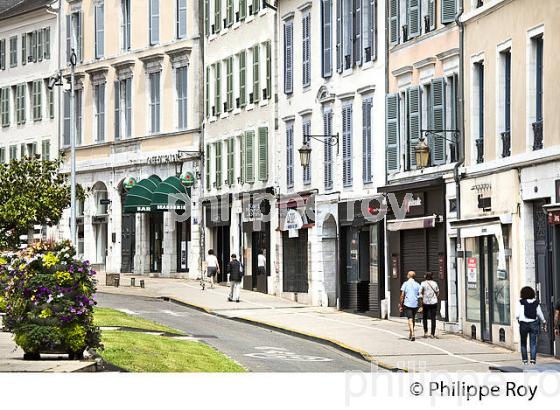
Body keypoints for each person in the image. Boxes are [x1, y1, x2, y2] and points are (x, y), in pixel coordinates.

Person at [516, 286, 547, 365]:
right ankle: (533, 360)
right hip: (534, 323)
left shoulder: (520, 302)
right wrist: (544, 321)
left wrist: (518, 319)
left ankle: (525, 361)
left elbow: (517, 314)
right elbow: (539, 313)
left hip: (523, 324)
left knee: (523, 343)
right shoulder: (536, 302)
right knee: (533, 343)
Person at [400, 271, 421, 341]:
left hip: (408, 303)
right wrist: (421, 305)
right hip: (415, 304)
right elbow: (420, 295)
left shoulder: (405, 284)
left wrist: (400, 304)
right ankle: (410, 333)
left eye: (407, 274)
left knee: (410, 319)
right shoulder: (418, 284)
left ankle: (413, 333)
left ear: (409, 275)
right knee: (413, 318)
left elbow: (402, 295)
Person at [420, 272, 439, 339]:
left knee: (425, 317)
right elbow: (437, 292)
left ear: (425, 276)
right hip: (434, 302)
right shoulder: (435, 283)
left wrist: (422, 297)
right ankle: (432, 334)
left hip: (425, 302)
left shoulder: (423, 283)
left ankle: (425, 332)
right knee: (433, 318)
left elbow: (420, 292)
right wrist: (434, 297)